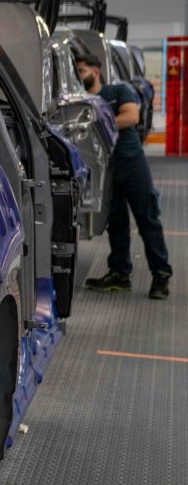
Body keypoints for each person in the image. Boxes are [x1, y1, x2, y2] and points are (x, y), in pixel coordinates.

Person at [78, 53, 171, 300]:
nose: (79, 75)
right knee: (116, 223)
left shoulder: (118, 91)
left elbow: (131, 116)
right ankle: (119, 273)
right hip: (105, 170)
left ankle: (160, 275)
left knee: (147, 218)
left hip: (131, 164)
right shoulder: (80, 101)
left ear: (96, 71)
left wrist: (94, 125)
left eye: (82, 70)